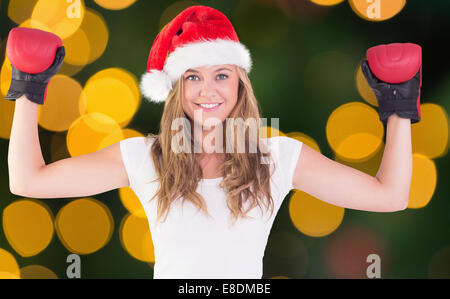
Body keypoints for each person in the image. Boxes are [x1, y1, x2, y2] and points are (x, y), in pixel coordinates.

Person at [6, 5, 421, 279]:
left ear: (240, 83)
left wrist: (399, 105)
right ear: (177, 87)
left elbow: (390, 196)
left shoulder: (275, 157)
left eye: (221, 74)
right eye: (193, 77)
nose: (208, 91)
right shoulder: (145, 157)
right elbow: (28, 182)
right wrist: (29, 87)